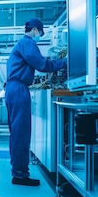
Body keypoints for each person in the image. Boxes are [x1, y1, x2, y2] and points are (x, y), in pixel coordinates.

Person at [5, 18, 66, 186]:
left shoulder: (21, 45)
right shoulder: (28, 43)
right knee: (21, 133)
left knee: (17, 133)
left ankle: (18, 171)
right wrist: (64, 62)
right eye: (41, 32)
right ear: (36, 30)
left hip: (13, 89)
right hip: (18, 90)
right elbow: (41, 64)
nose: (40, 35)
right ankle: (20, 175)